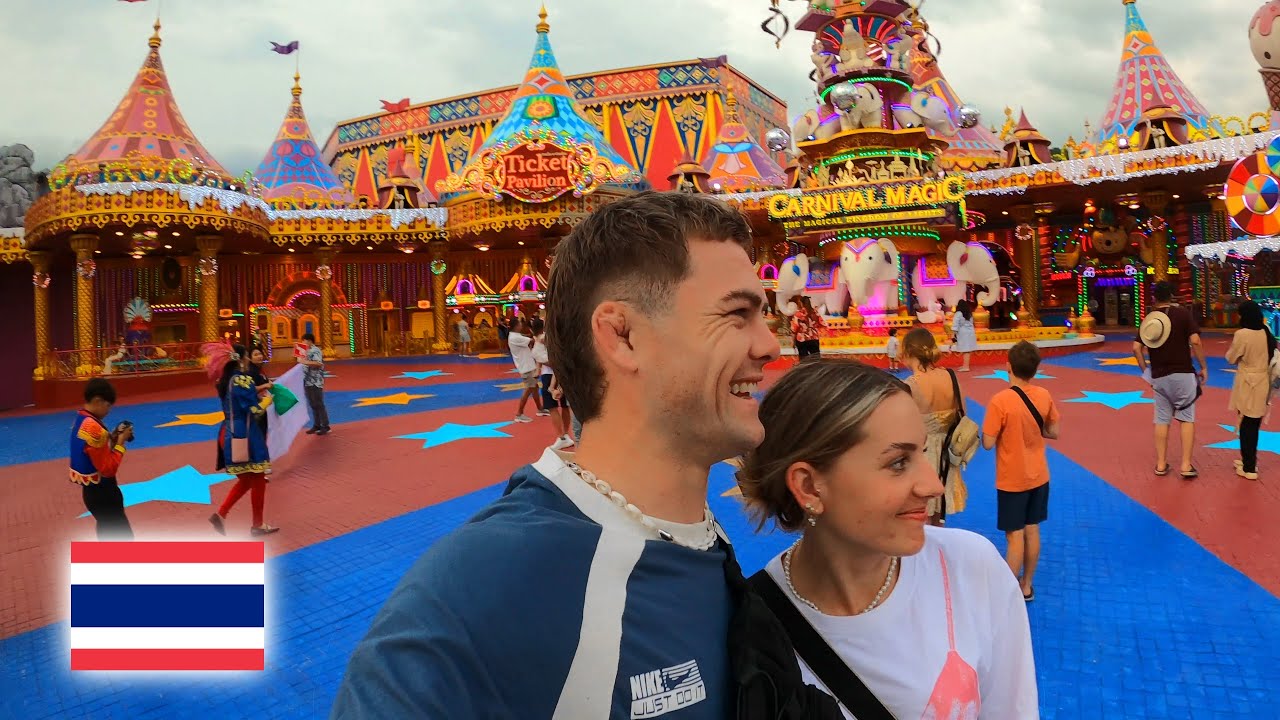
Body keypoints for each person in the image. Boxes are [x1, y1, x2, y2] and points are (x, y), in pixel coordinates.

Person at [331, 192, 842, 719]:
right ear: (622, 336)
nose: (770, 346)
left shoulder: (692, 535)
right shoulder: (482, 590)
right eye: (737, 314)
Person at [737, 360, 1039, 719]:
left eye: (923, 452)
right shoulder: (752, 627)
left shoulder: (970, 568)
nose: (933, 486)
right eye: (898, 462)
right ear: (808, 486)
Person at [980, 340, 1060, 602]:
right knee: (1032, 529)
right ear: (1035, 369)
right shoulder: (1045, 395)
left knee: (1014, 536)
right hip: (1039, 474)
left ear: (1008, 367)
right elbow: (1053, 432)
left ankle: (1007, 591)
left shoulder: (999, 401)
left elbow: (988, 443)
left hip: (1011, 478)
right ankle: (1027, 585)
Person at [1134, 281, 1207, 479]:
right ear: (1172, 295)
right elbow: (1195, 340)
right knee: (1186, 418)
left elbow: (1136, 348)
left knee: (1162, 420)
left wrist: (1146, 371)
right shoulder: (1183, 314)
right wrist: (1203, 366)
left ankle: (1160, 464)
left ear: (1154, 298)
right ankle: (1185, 465)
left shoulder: (1149, 320)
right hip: (1183, 373)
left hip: (1159, 376)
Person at [209, 344, 279, 537]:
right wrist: (268, 400)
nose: (249, 360)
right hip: (245, 435)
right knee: (256, 479)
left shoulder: (228, 380)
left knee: (250, 480)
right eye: (247, 356)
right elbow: (255, 410)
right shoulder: (241, 379)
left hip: (229, 432)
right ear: (241, 359)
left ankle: (222, 514)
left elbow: (242, 398)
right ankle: (256, 524)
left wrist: (261, 387)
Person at [898, 327, 967, 526]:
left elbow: (902, 426)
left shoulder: (911, 384)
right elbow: (963, 414)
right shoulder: (951, 377)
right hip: (947, 454)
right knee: (939, 517)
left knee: (919, 517)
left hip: (922, 456)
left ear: (908, 351)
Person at [69, 378, 135, 540]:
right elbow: (108, 469)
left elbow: (92, 451)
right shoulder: (94, 428)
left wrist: (111, 437)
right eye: (107, 405)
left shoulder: (82, 419)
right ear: (98, 400)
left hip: (91, 493)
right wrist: (120, 442)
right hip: (104, 493)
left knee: (106, 533)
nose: (109, 410)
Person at [1227, 300, 1275, 481]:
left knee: (1245, 423)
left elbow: (1231, 358)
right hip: (1263, 381)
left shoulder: (1242, 334)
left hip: (1247, 381)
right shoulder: (1266, 332)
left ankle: (1249, 467)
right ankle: (1248, 460)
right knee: (1254, 422)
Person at [532, 317, 573, 450]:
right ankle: (564, 435)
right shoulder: (545, 338)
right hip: (554, 372)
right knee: (562, 405)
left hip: (553, 373)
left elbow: (549, 359)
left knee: (554, 405)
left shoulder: (548, 337)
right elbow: (541, 357)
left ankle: (562, 436)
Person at [507, 316, 542, 422]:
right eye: (519, 323)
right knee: (529, 389)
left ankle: (540, 409)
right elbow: (531, 340)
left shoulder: (515, 335)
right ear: (516, 326)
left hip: (528, 365)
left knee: (534, 387)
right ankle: (519, 413)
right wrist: (534, 330)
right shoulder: (514, 337)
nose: (521, 325)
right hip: (526, 366)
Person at [299, 332, 331, 436]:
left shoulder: (315, 350)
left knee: (318, 403)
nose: (303, 342)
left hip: (316, 381)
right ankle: (316, 424)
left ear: (309, 340)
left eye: (304, 340)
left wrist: (304, 362)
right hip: (307, 380)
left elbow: (318, 363)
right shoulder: (304, 351)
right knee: (312, 403)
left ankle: (325, 425)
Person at [791, 295, 825, 361]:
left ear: (801, 303)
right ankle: (817, 369)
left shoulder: (798, 314)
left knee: (803, 358)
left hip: (802, 338)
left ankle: (806, 370)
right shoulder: (815, 312)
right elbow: (822, 323)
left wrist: (793, 340)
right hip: (814, 337)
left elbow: (794, 328)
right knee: (816, 357)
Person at [951, 299, 977, 372]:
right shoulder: (969, 313)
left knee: (966, 350)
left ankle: (966, 367)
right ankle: (965, 365)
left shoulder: (958, 313)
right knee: (967, 350)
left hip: (963, 333)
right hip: (970, 332)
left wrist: (953, 334)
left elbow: (955, 324)